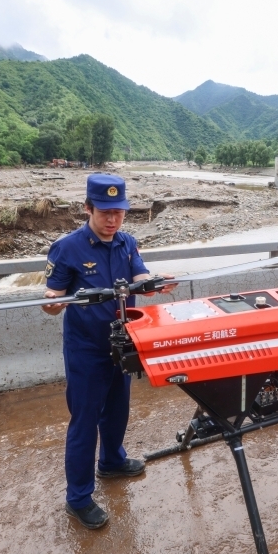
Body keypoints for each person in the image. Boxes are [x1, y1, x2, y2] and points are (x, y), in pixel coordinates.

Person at [42, 173, 173, 529]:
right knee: (85, 421)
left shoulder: (127, 243)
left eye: (119, 212)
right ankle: (78, 499)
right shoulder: (67, 248)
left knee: (117, 409)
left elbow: (140, 277)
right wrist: (55, 301)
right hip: (86, 349)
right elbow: (51, 302)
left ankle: (112, 462)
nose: (113, 220)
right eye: (105, 212)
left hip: (122, 342)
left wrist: (155, 283)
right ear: (88, 208)